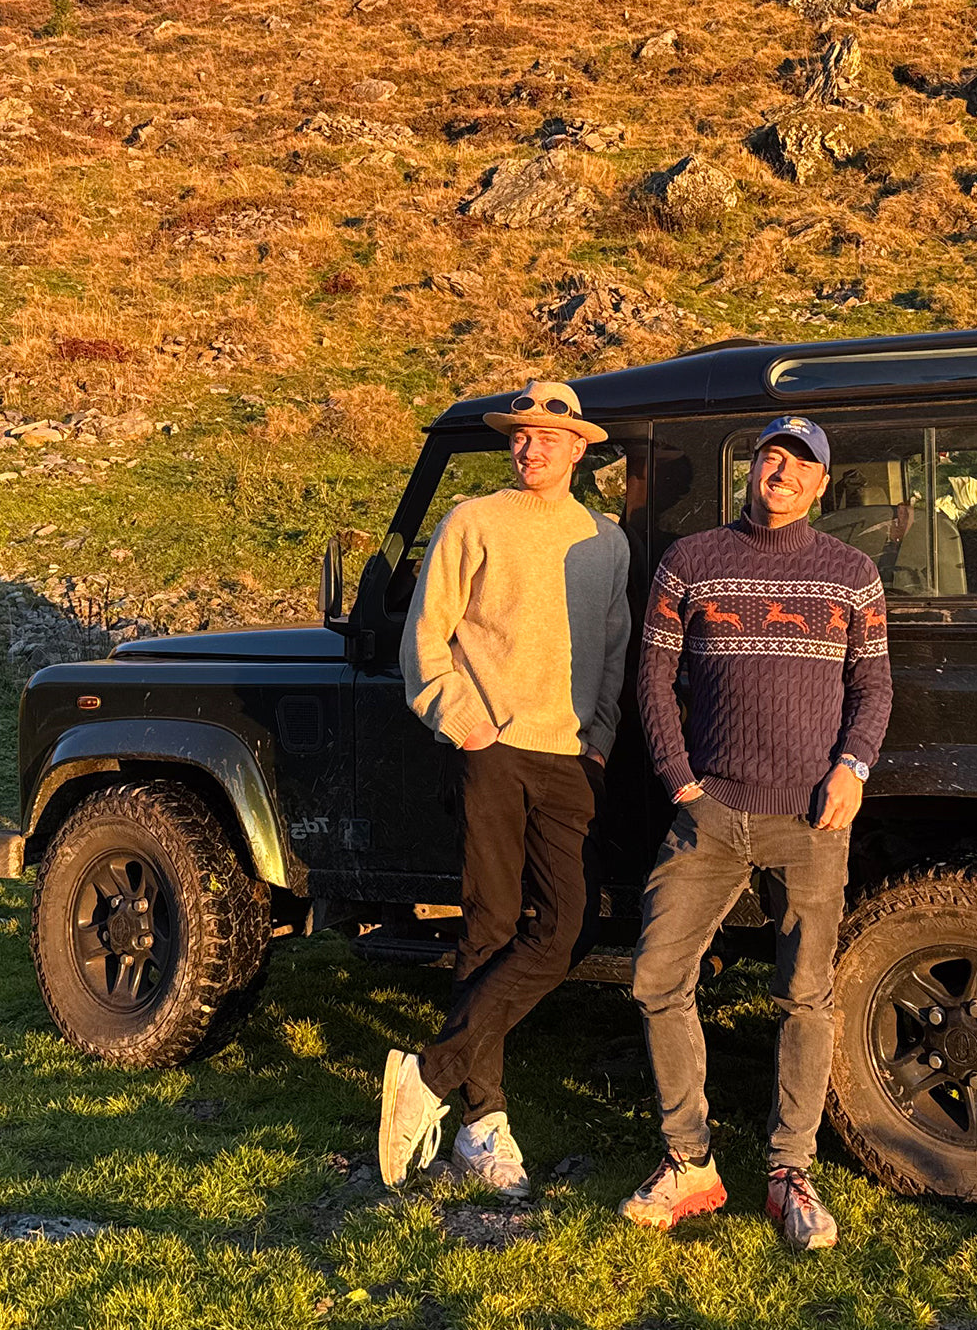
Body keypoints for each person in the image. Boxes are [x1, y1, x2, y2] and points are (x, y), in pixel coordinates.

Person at [620, 416, 893, 1250]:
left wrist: (853, 768)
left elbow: (874, 687)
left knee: (804, 997)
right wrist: (681, 781)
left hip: (810, 820)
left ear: (820, 485)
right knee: (656, 977)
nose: (783, 472)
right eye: (773, 457)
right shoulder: (691, 561)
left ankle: (789, 1173)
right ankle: (689, 1160)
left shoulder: (852, 574)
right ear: (751, 468)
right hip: (710, 815)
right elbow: (653, 678)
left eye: (800, 464)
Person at [379, 380, 632, 1197]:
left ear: (578, 448)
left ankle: (429, 1074)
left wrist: (600, 739)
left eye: (547, 437)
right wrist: (463, 721)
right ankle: (482, 1124)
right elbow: (427, 633)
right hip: (490, 748)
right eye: (520, 436)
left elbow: (614, 646)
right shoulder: (473, 520)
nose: (530, 448)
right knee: (488, 926)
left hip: (570, 756)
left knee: (568, 929)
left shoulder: (606, 540)